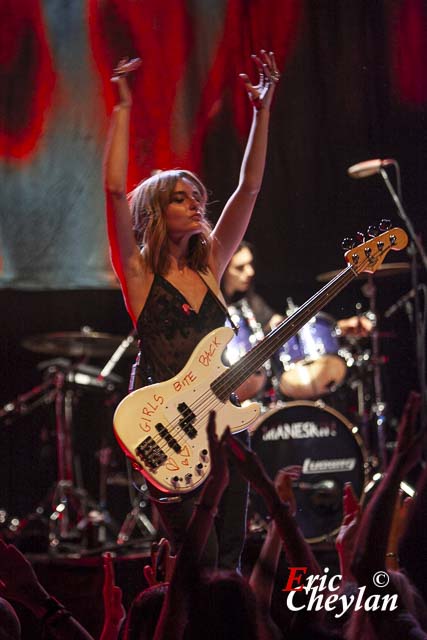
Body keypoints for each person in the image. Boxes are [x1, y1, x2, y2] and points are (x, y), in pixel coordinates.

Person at [103, 50, 280, 571]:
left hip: (224, 430)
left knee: (228, 561)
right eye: (181, 199)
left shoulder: (211, 267)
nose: (196, 204)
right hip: (168, 433)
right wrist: (122, 107)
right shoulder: (138, 274)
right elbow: (115, 191)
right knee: (194, 563)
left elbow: (249, 187)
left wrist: (262, 115)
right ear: (158, 213)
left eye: (198, 196)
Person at [222, 242, 374, 401]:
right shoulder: (212, 307)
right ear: (223, 269)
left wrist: (337, 328)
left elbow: (280, 325)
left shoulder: (250, 300)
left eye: (250, 264)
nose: (250, 271)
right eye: (240, 268)